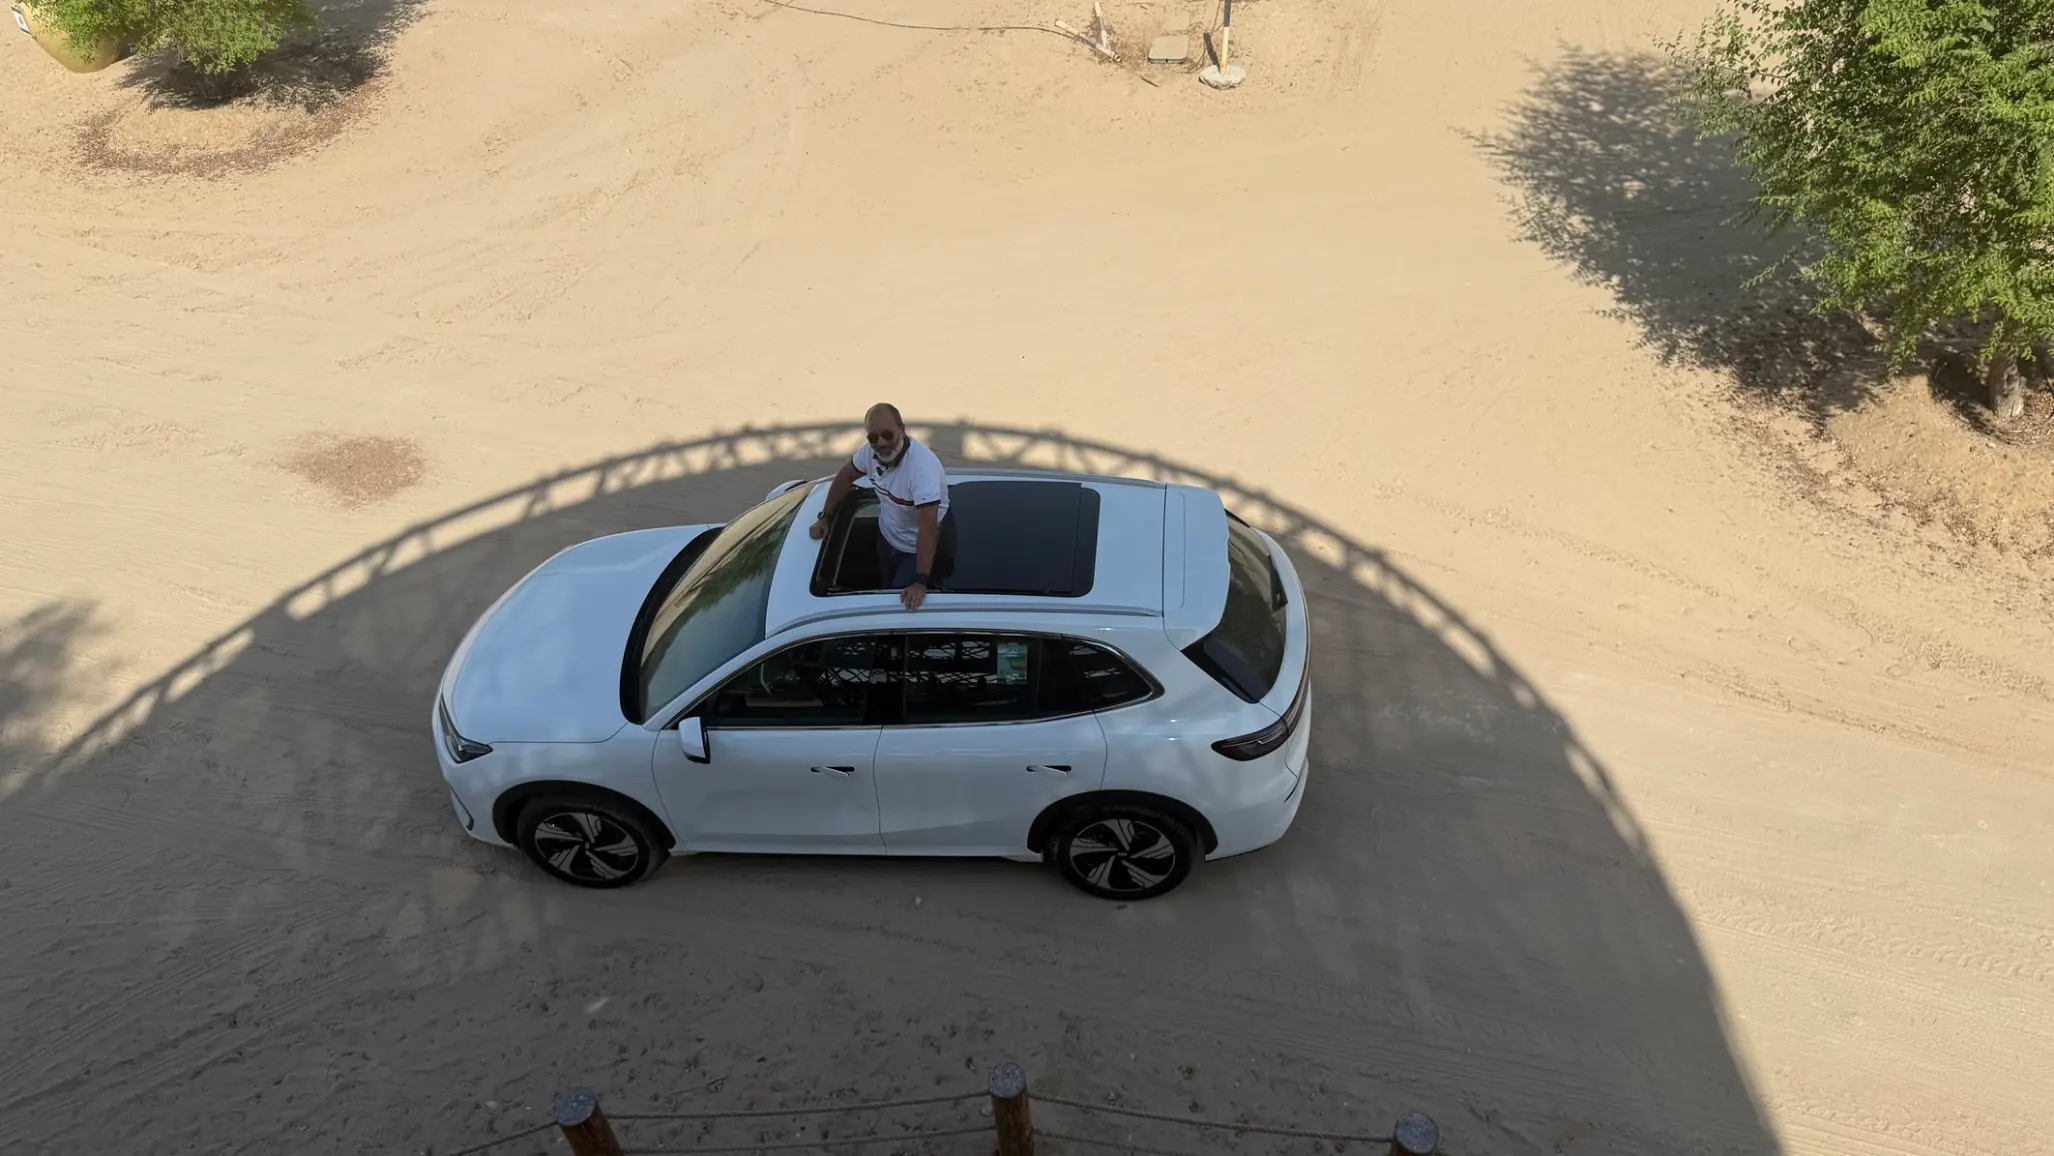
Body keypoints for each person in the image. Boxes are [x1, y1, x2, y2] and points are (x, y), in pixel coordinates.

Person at [810, 403, 954, 609]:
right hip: (887, 537)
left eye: (887, 434)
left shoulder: (922, 469)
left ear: (902, 429)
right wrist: (826, 517)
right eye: (873, 437)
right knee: (886, 584)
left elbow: (929, 528)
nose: (881, 443)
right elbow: (845, 477)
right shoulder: (868, 454)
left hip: (914, 549)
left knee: (895, 603)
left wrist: (920, 582)